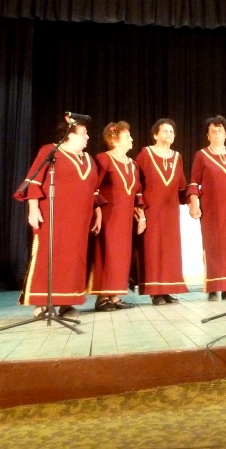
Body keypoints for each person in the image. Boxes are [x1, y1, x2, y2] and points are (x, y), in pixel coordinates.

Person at [14, 117, 101, 319]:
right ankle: (42, 303)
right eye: (83, 133)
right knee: (49, 256)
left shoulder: (89, 159)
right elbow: (34, 181)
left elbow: (94, 191)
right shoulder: (51, 151)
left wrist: (98, 214)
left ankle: (67, 303)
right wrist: (33, 208)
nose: (88, 137)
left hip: (80, 221)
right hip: (53, 216)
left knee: (74, 260)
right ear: (69, 135)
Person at [187, 116, 226, 300]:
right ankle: (214, 287)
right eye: (213, 131)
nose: (217, 134)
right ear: (208, 135)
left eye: (220, 131)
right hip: (212, 210)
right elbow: (194, 182)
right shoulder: (202, 155)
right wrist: (194, 204)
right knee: (214, 247)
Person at [135, 119, 189, 306]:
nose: (169, 134)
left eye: (171, 131)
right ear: (155, 135)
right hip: (151, 209)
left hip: (170, 210)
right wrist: (139, 207)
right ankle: (155, 292)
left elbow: (181, 185)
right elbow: (136, 181)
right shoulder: (146, 153)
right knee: (153, 249)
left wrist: (193, 200)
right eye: (165, 131)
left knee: (170, 250)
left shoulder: (177, 157)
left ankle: (167, 289)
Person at [90, 122, 143, 311]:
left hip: (125, 217)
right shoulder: (103, 159)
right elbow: (93, 186)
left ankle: (115, 295)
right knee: (107, 253)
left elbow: (137, 192)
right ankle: (102, 297)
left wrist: (142, 216)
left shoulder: (133, 164)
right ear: (114, 139)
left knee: (122, 255)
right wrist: (97, 212)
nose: (132, 139)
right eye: (127, 136)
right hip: (108, 215)